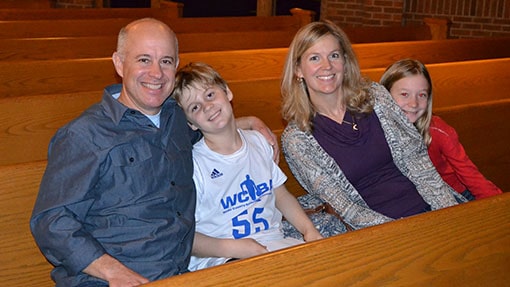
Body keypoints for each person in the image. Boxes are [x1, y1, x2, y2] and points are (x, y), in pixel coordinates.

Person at [30, 18, 278, 287]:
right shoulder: (85, 135)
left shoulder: (177, 118)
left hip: (182, 272)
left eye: (166, 61)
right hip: (109, 279)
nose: (157, 73)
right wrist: (111, 271)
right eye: (144, 60)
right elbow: (51, 221)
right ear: (118, 63)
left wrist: (251, 122)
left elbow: (209, 127)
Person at [280, 20, 465, 230]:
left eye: (334, 55)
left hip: (428, 210)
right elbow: (344, 207)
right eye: (315, 58)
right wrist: (402, 231)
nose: (327, 66)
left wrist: (449, 214)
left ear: (345, 61)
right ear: (298, 70)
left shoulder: (376, 97)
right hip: (377, 232)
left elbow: (418, 161)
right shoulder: (297, 139)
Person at [171, 62, 323, 271]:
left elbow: (281, 195)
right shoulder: (194, 165)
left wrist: (309, 231)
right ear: (191, 124)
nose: (207, 107)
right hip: (222, 259)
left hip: (274, 245)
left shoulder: (258, 142)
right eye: (194, 108)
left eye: (209, 95)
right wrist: (235, 248)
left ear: (227, 92)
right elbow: (186, 236)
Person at [380, 59, 503, 201]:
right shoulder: (374, 131)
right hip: (415, 201)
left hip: (455, 195)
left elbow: (469, 173)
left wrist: (498, 203)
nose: (414, 103)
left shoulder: (437, 130)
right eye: (404, 94)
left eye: (422, 95)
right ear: (385, 95)